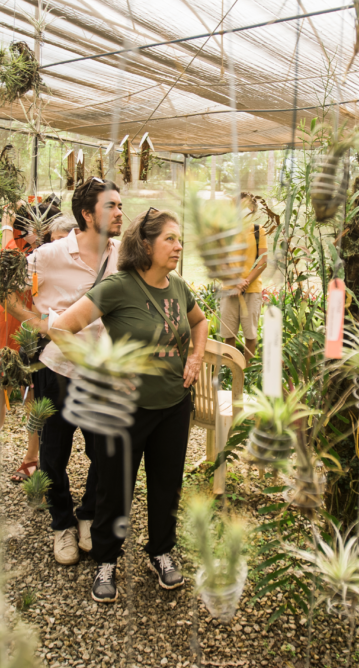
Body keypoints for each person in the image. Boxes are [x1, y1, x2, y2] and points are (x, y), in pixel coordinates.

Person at [46, 209, 208, 603]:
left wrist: (196, 357)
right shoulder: (117, 287)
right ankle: (106, 560)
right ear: (146, 245)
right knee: (114, 490)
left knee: (167, 485)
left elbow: (200, 322)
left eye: (179, 239)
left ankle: (161, 552)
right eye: (170, 239)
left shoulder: (178, 287)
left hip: (173, 406)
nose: (178, 246)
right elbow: (60, 328)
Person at [8, 179, 122, 565]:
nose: (121, 213)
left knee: (104, 452)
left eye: (121, 206)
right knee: (54, 453)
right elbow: (6, 289)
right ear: (88, 215)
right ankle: (61, 523)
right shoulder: (50, 255)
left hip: (104, 371)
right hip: (56, 368)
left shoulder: (124, 255)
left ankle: (88, 515)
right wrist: (39, 322)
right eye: (112, 207)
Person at [5, 200, 61, 483]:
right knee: (32, 396)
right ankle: (32, 455)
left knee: (42, 399)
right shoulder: (28, 256)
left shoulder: (56, 255)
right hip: (28, 333)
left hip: (56, 337)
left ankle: (36, 457)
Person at [219, 193, 268, 366]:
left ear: (252, 209)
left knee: (250, 335)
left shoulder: (258, 230)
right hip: (229, 290)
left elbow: (263, 261)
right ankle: (230, 370)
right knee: (228, 334)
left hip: (252, 290)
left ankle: (246, 373)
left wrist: (244, 282)